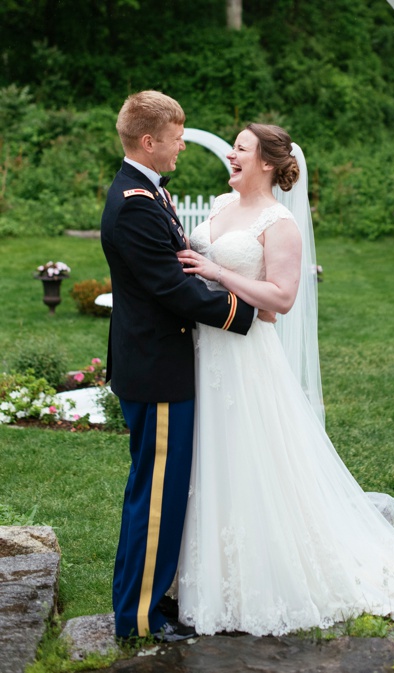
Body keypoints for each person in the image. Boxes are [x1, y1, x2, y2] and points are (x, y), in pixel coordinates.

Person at [173, 123, 394, 636]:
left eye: (241, 149)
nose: (231, 155)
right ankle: (202, 570)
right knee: (207, 454)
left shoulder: (280, 224)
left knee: (248, 456)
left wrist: (219, 274)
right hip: (204, 348)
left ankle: (260, 577)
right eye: (233, 147)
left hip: (245, 356)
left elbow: (281, 299)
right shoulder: (218, 205)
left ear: (267, 163)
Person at [100, 91, 257, 641]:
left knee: (155, 492)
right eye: (176, 138)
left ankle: (144, 601)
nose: (182, 145)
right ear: (149, 141)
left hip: (156, 362)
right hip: (158, 369)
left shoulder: (146, 190)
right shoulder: (135, 202)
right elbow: (172, 288)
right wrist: (246, 312)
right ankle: (139, 618)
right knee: (157, 500)